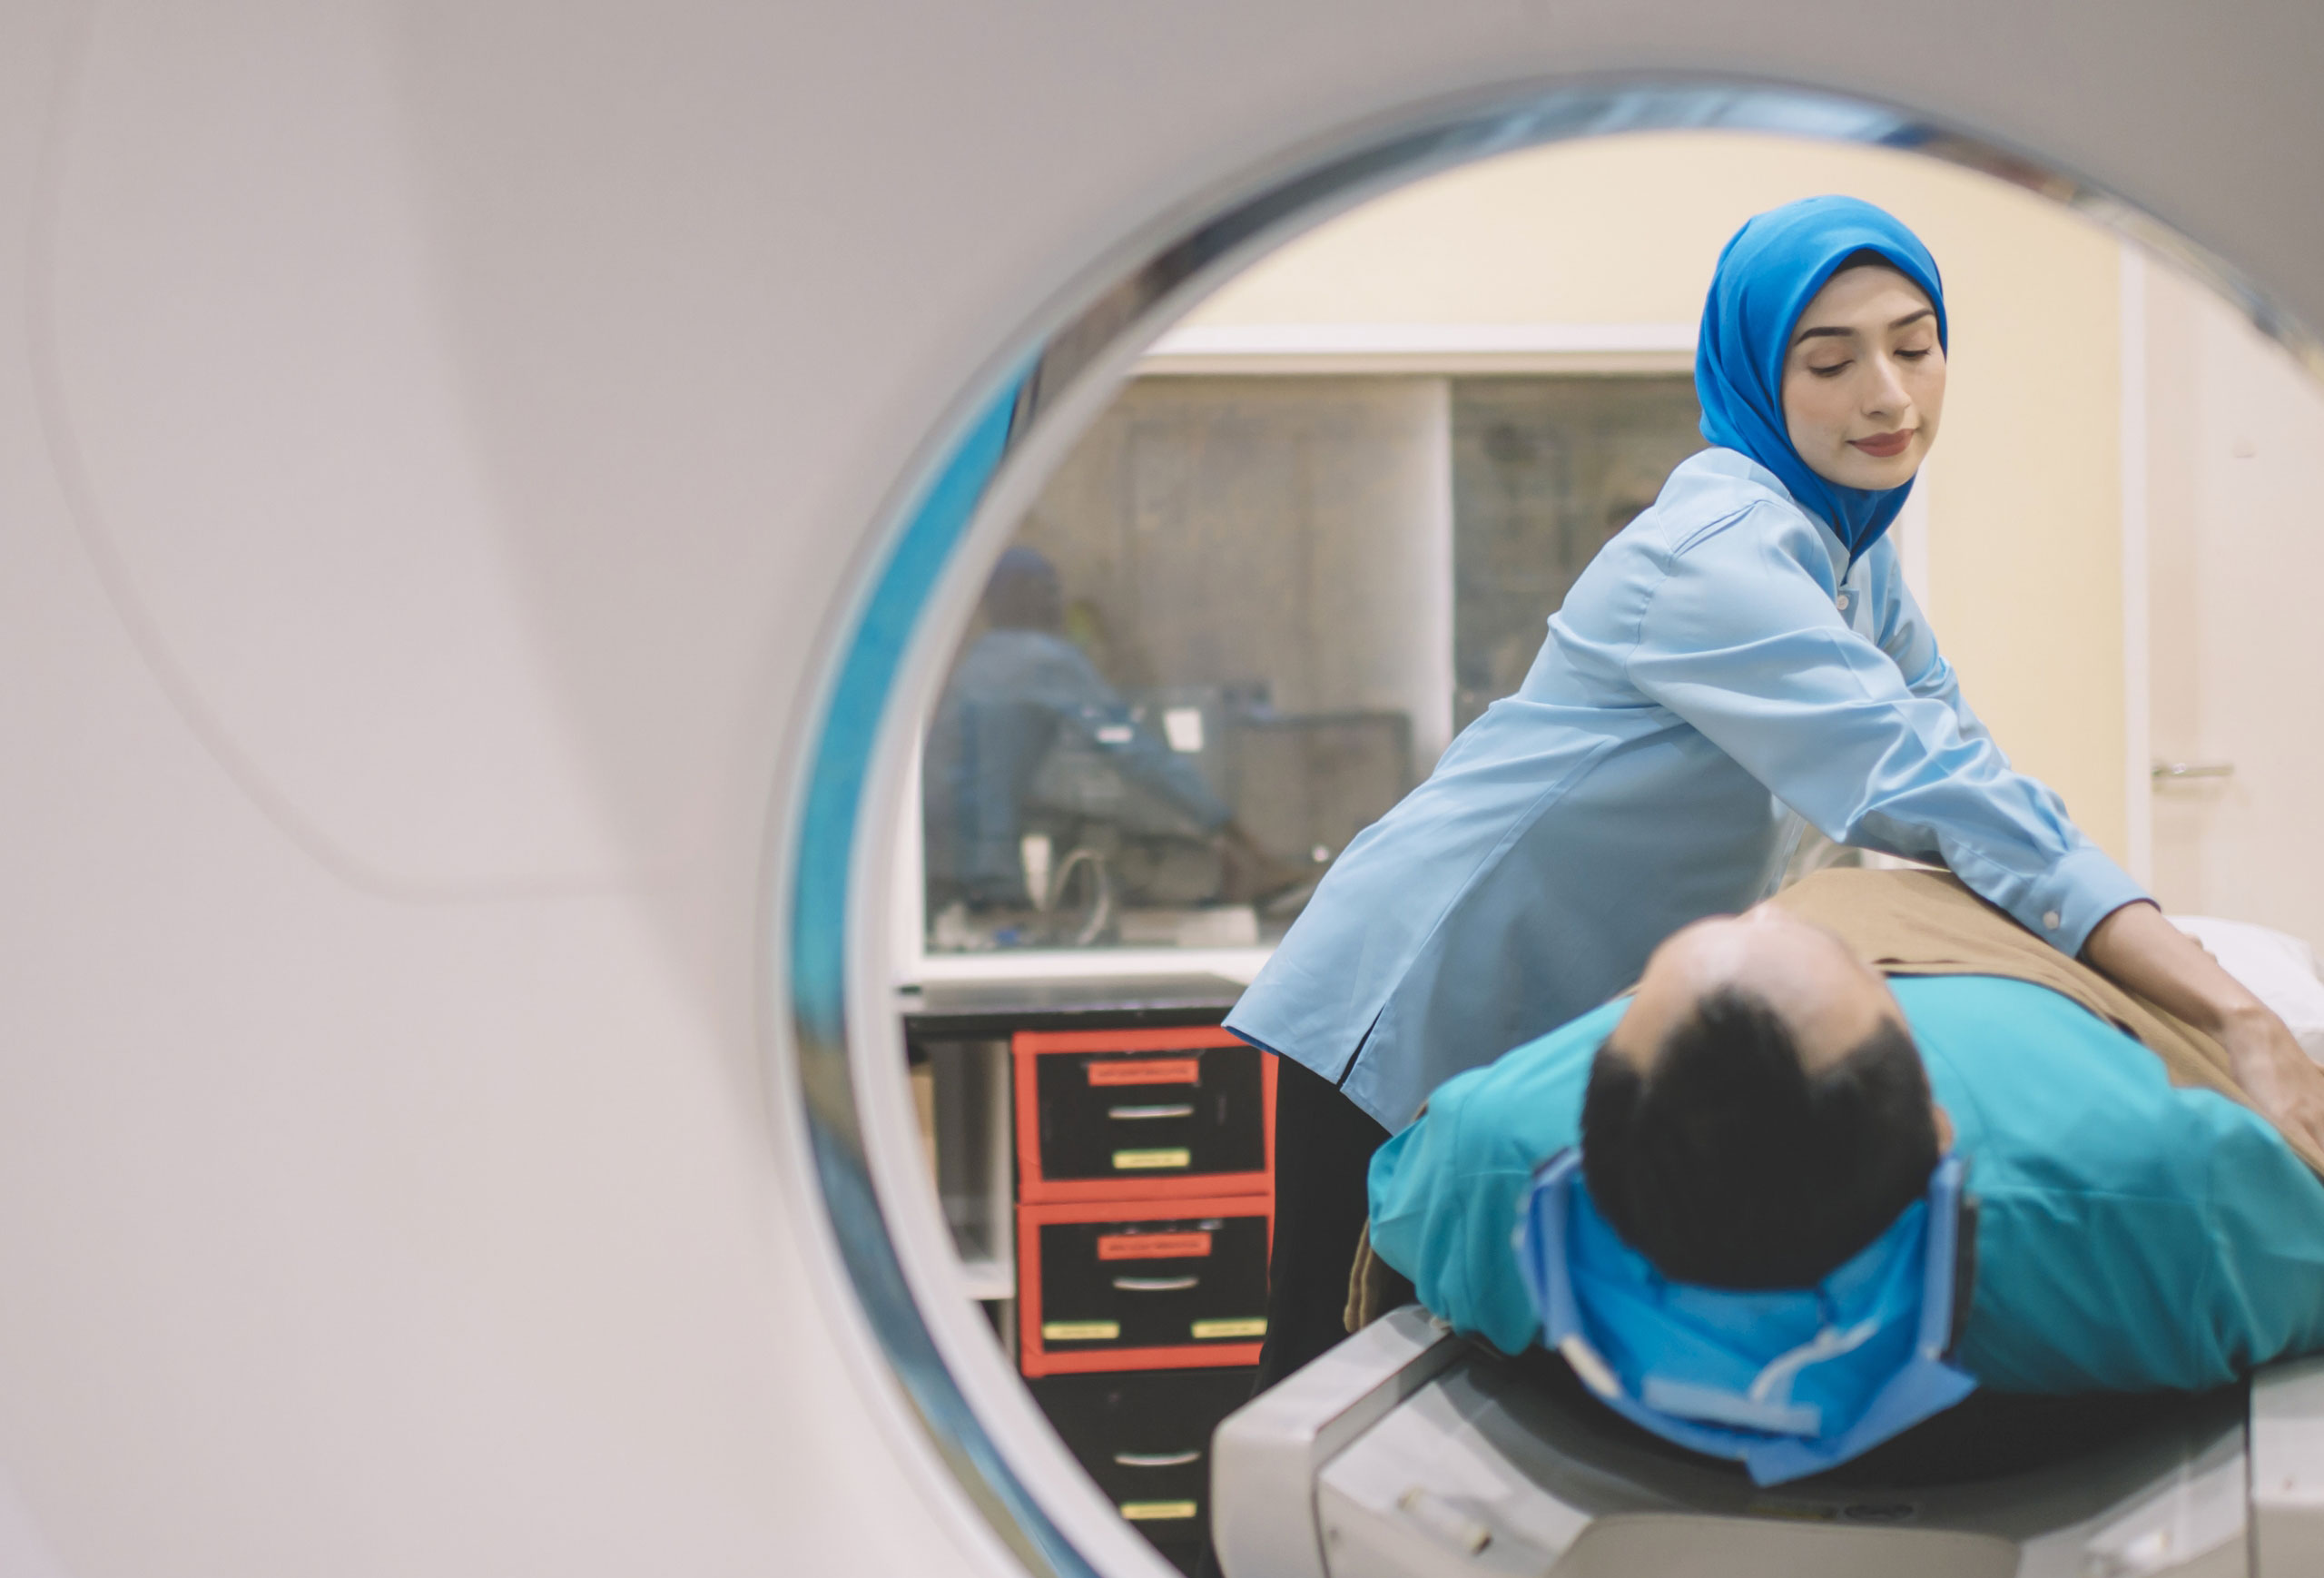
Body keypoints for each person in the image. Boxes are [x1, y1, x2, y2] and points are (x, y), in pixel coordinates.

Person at [1227, 195, 2324, 1407]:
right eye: (1831, 359)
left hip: (1544, 1002)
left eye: (1914, 346)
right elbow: (1922, 785)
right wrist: (2227, 1010)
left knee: (1445, 1358)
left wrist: (2116, 958)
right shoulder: (1719, 552)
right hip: (1415, 986)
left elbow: (1967, 758)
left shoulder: (1850, 552)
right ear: (1758, 369)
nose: (1889, 395)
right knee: (1324, 1387)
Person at [1368, 868, 2324, 1487]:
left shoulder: (1492, 1152)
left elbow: (1397, 1214)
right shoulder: (2158, 1191)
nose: (1761, 911)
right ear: (1941, 1123)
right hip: (2017, 964)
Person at [922, 547, 1233, 911]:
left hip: (942, 864)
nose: (1057, 603)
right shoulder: (1038, 657)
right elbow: (1134, 750)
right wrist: (1226, 824)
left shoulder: (981, 660)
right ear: (1013, 594)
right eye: (1048, 589)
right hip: (983, 868)